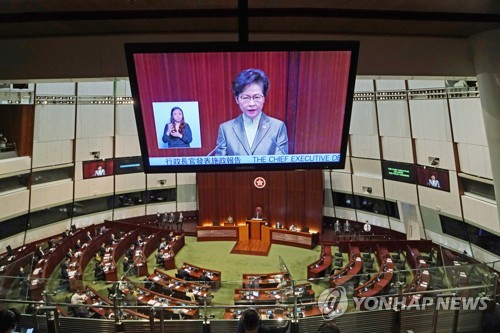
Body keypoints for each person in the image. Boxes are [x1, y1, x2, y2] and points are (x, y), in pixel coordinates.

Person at [215, 68, 288, 156]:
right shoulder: (225, 129)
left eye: (257, 97)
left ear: (264, 98)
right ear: (237, 99)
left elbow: (280, 165)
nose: (251, 103)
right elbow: (221, 165)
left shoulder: (278, 127)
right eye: (245, 98)